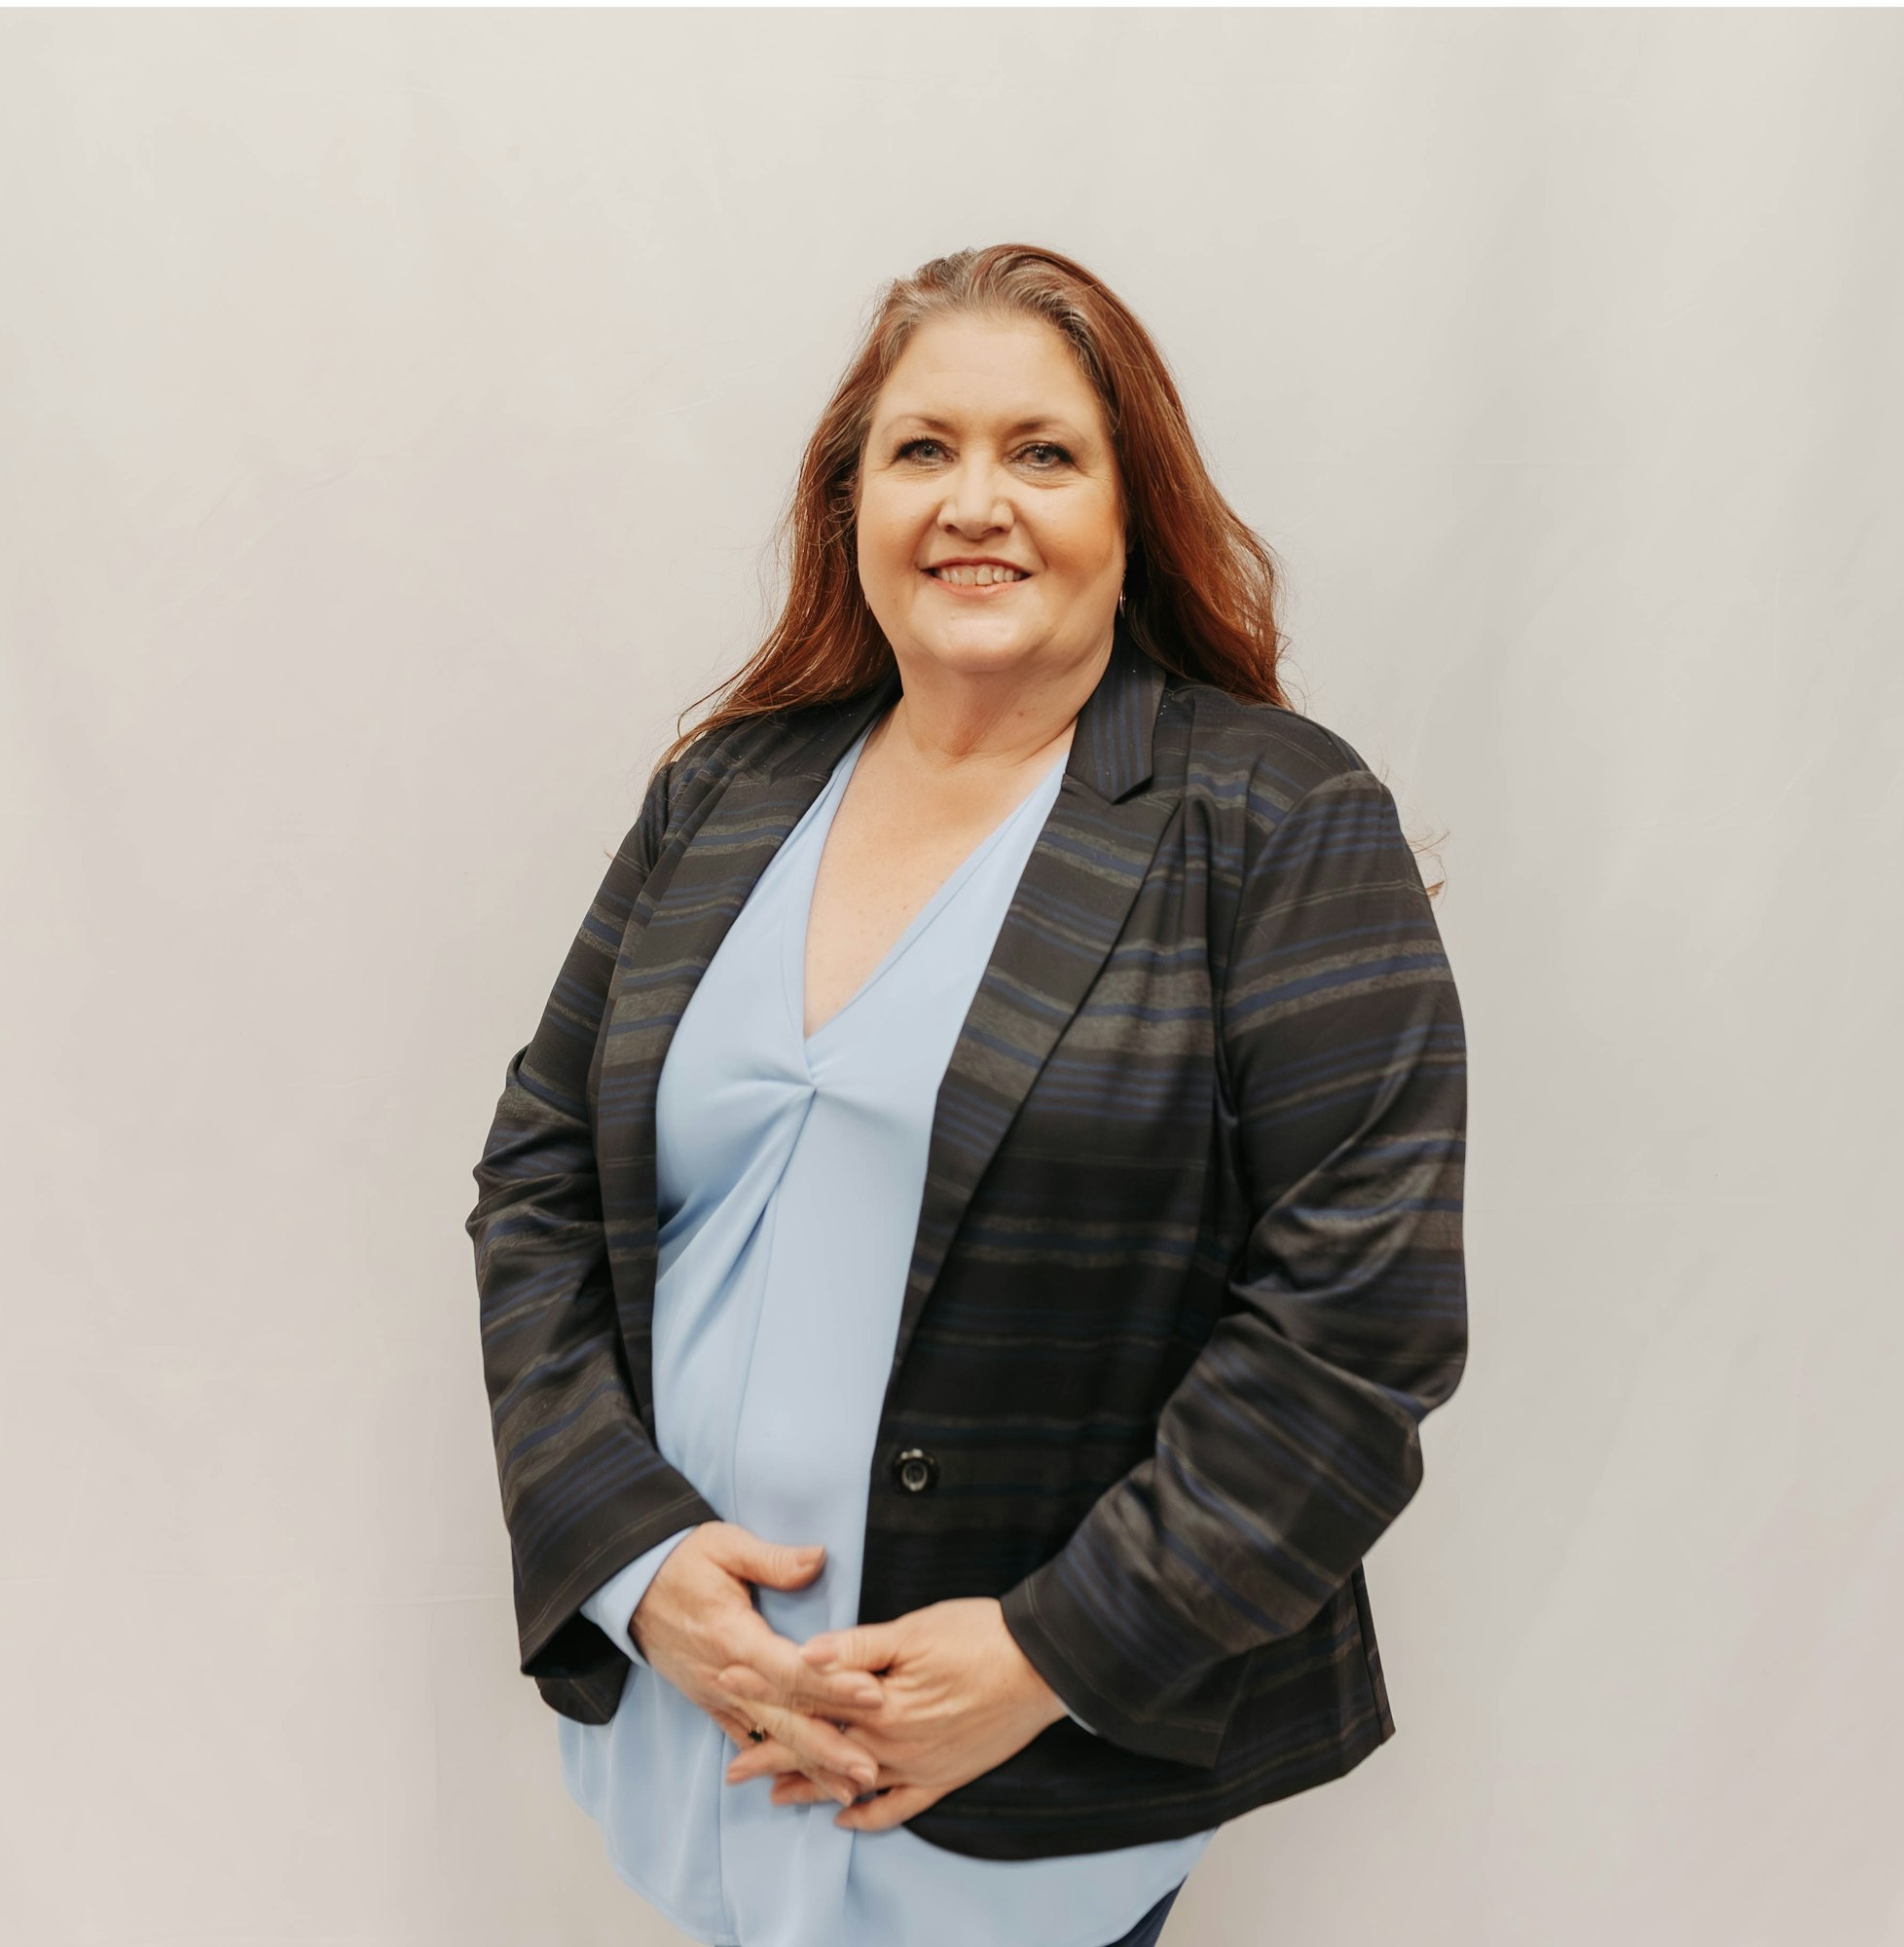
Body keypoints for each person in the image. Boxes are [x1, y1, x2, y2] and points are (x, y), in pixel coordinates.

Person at [465, 242, 1469, 1947]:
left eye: (1043, 452)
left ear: (1132, 507)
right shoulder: (724, 793)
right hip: (688, 1729)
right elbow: (540, 1179)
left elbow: (1354, 1333)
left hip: (1022, 1783)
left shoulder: (1280, 820)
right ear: (847, 502)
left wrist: (1042, 1654)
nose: (972, 503)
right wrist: (635, 1566)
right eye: (921, 449)